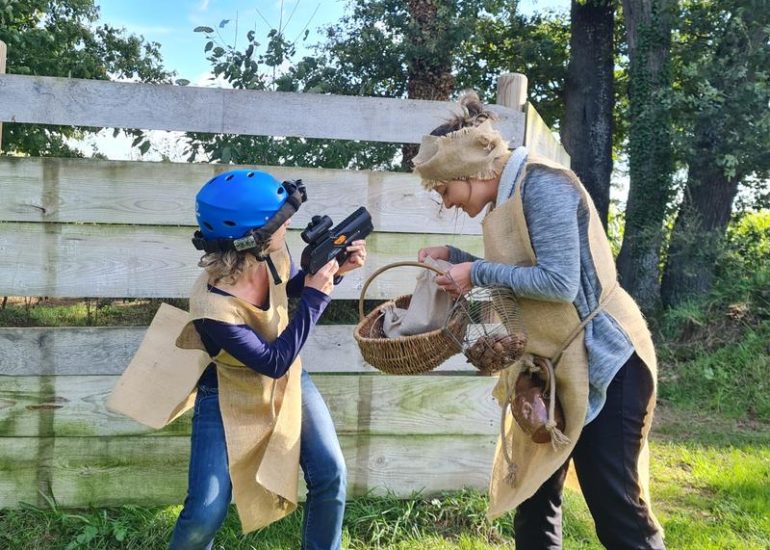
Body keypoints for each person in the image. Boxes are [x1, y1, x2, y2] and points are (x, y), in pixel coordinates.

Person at [412, 93, 665, 550]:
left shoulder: (543, 186)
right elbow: (525, 274)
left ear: (469, 173)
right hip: (552, 369)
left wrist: (476, 272)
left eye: (445, 191)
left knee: (615, 509)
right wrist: (458, 260)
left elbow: (558, 284)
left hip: (607, 362)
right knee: (532, 500)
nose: (446, 203)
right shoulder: (508, 198)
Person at [169, 169, 367, 550]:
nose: (288, 222)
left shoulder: (269, 250)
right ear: (248, 235)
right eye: (278, 220)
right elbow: (273, 360)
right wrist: (316, 298)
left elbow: (287, 285)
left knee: (331, 474)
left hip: (287, 375)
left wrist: (332, 271)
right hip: (227, 387)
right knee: (205, 511)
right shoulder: (212, 307)